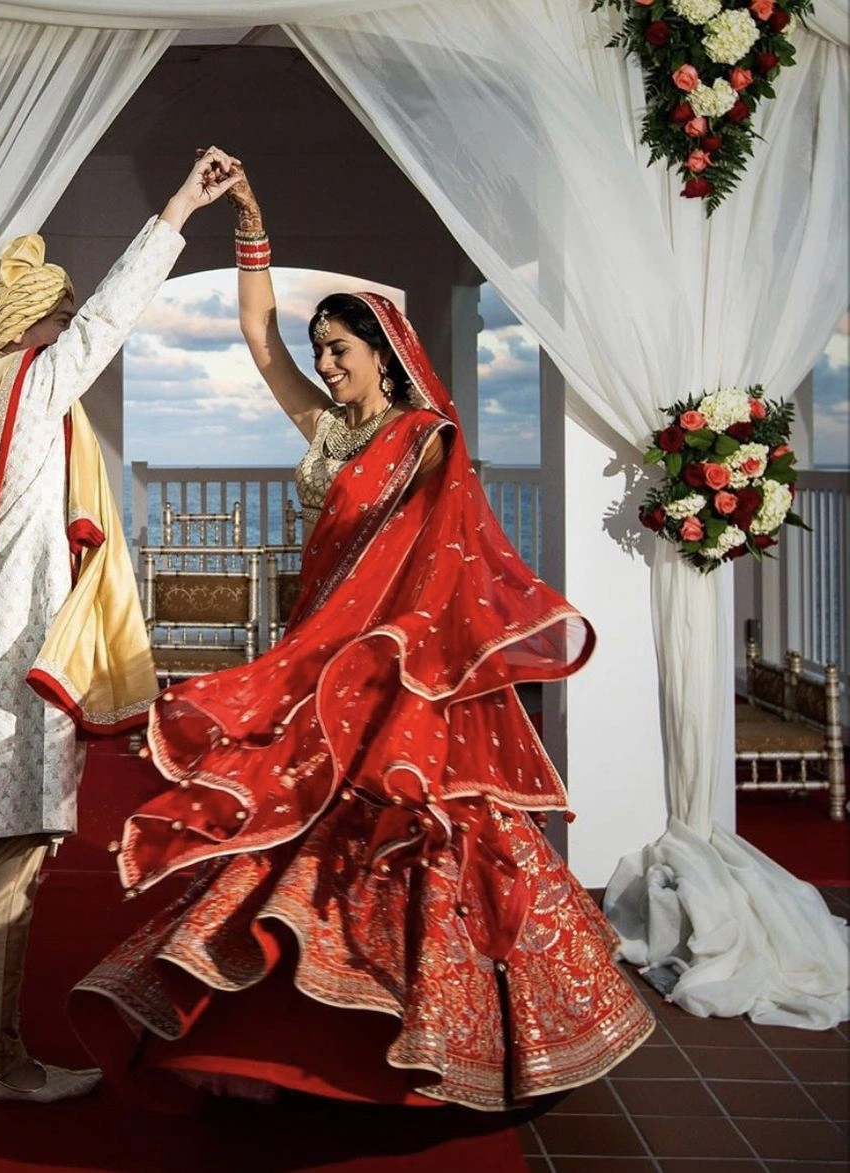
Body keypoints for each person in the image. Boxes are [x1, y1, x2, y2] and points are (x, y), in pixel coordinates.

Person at [70, 162, 655, 1111]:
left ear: (385, 352)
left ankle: (460, 1038)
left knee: (417, 833)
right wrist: (250, 220)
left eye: (341, 348)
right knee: (288, 820)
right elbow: (259, 341)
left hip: (396, 670)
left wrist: (391, 651)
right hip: (320, 653)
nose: (328, 364)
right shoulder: (326, 431)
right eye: (324, 350)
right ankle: (275, 1034)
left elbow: (444, 560)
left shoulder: (425, 436)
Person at [0, 149, 241, 1105]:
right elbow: (112, 317)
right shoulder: (36, 389)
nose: (70, 324)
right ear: (37, 326)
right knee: (11, 864)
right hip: (15, 671)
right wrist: (176, 206)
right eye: (61, 311)